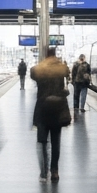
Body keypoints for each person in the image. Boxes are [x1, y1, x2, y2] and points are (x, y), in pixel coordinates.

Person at [29, 47, 70, 182]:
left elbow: (32, 73)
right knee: (56, 142)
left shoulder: (39, 69)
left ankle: (43, 172)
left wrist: (43, 63)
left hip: (43, 109)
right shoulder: (61, 68)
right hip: (58, 109)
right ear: (55, 55)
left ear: (45, 56)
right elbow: (67, 73)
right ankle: (54, 171)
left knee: (42, 141)